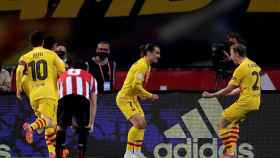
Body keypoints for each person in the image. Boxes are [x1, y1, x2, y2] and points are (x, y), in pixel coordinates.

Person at [202, 44, 261, 158]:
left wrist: (211, 95)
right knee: (233, 124)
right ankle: (231, 151)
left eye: (231, 53)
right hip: (255, 102)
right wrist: (228, 93)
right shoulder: (254, 65)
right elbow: (242, 88)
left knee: (222, 123)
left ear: (237, 54)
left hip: (246, 102)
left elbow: (228, 89)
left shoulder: (241, 68)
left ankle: (230, 153)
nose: (230, 56)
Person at [16, 31, 66, 158]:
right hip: (48, 94)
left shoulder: (25, 57)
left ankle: (52, 152)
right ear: (42, 42)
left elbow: (19, 72)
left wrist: (18, 89)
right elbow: (63, 71)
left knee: (49, 124)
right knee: (48, 121)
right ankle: (31, 127)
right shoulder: (51, 55)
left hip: (33, 96)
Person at [116, 43, 160, 158]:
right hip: (125, 98)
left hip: (133, 98)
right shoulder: (142, 65)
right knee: (139, 123)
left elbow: (136, 86)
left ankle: (137, 152)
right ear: (149, 53)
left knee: (143, 124)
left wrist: (141, 95)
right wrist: (150, 96)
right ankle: (129, 153)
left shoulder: (147, 65)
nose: (158, 56)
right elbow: (136, 86)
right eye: (156, 53)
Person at [56, 60, 97, 158]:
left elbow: (59, 100)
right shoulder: (90, 77)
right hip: (82, 100)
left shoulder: (62, 76)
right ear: (86, 69)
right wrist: (91, 123)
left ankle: (58, 155)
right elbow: (94, 103)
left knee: (61, 128)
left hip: (64, 99)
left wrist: (60, 122)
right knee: (84, 128)